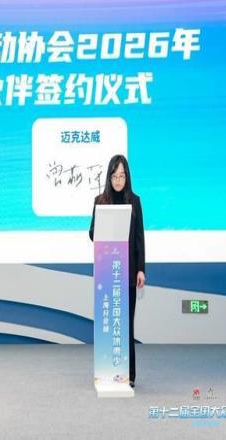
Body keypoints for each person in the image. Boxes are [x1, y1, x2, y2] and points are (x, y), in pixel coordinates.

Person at [89, 154, 145, 388]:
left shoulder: (135, 202)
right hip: (107, 273)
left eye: (122, 176)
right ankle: (108, 373)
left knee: (126, 325)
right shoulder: (100, 201)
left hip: (129, 273)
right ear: (109, 177)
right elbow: (92, 233)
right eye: (114, 176)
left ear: (127, 177)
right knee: (109, 324)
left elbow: (139, 238)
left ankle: (129, 375)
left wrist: (141, 269)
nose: (118, 180)